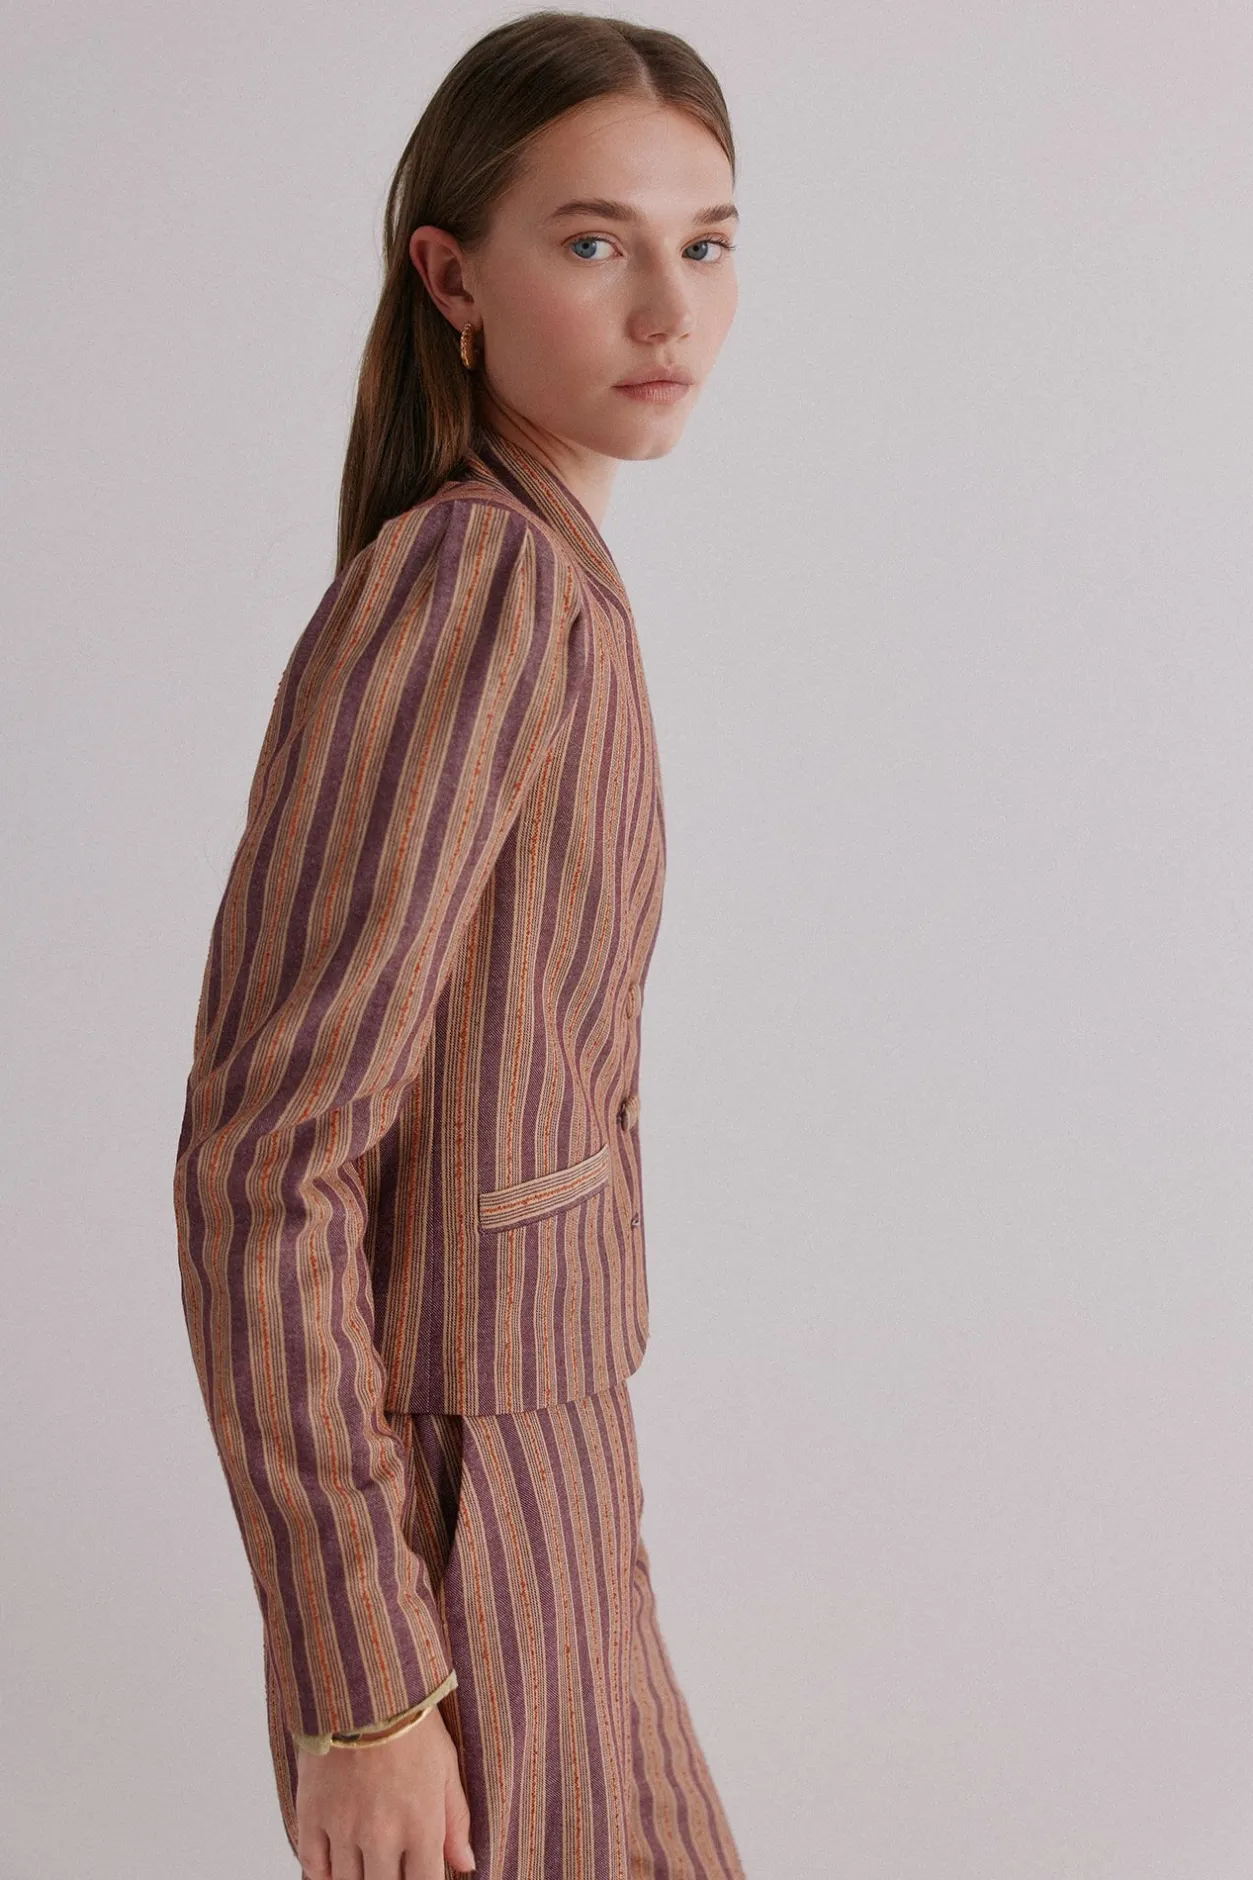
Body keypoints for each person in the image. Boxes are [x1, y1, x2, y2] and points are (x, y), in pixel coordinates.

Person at [172, 11, 744, 1877]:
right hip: (458, 1508)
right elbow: (267, 1160)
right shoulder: (475, 580)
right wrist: (366, 1688)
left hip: (552, 1460)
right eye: (594, 242)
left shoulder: (550, 570)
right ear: (453, 279)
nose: (669, 308)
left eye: (705, 243)